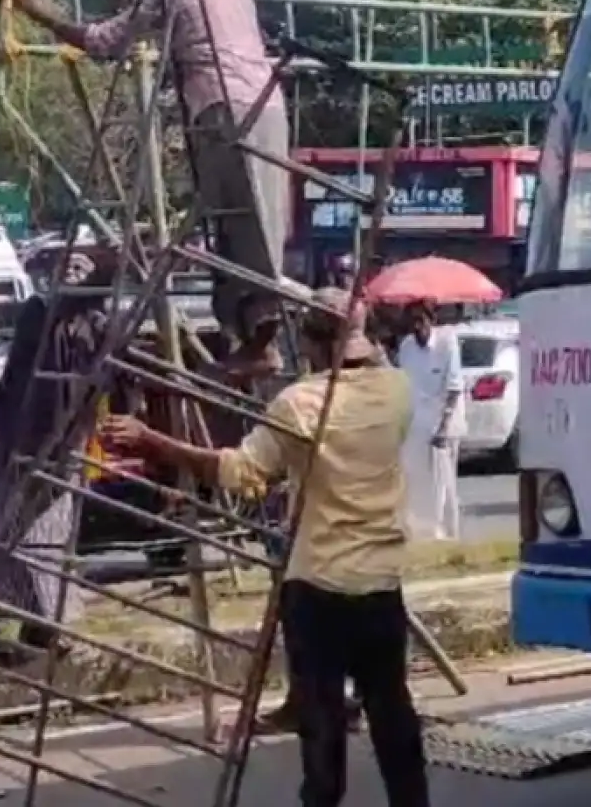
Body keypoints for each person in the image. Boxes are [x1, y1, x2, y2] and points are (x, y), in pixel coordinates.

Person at [98, 287, 428, 807]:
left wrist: (150, 440)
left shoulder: (300, 404)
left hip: (318, 584)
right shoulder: (399, 392)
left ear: (309, 341)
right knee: (392, 713)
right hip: (380, 584)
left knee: (321, 727)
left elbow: (238, 472)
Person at [9, 0, 290, 378]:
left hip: (223, 109)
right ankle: (256, 336)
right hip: (268, 106)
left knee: (242, 232)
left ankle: (260, 342)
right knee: (264, 224)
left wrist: (34, 10)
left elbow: (100, 42)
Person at [394, 301, 465, 541]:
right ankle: (420, 531)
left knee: (442, 481)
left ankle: (447, 533)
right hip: (415, 422)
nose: (417, 327)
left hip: (443, 422)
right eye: (412, 322)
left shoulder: (447, 342)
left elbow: (454, 388)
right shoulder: (407, 347)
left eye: (420, 321)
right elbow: (403, 385)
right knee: (415, 480)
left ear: (430, 320)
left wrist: (443, 428)